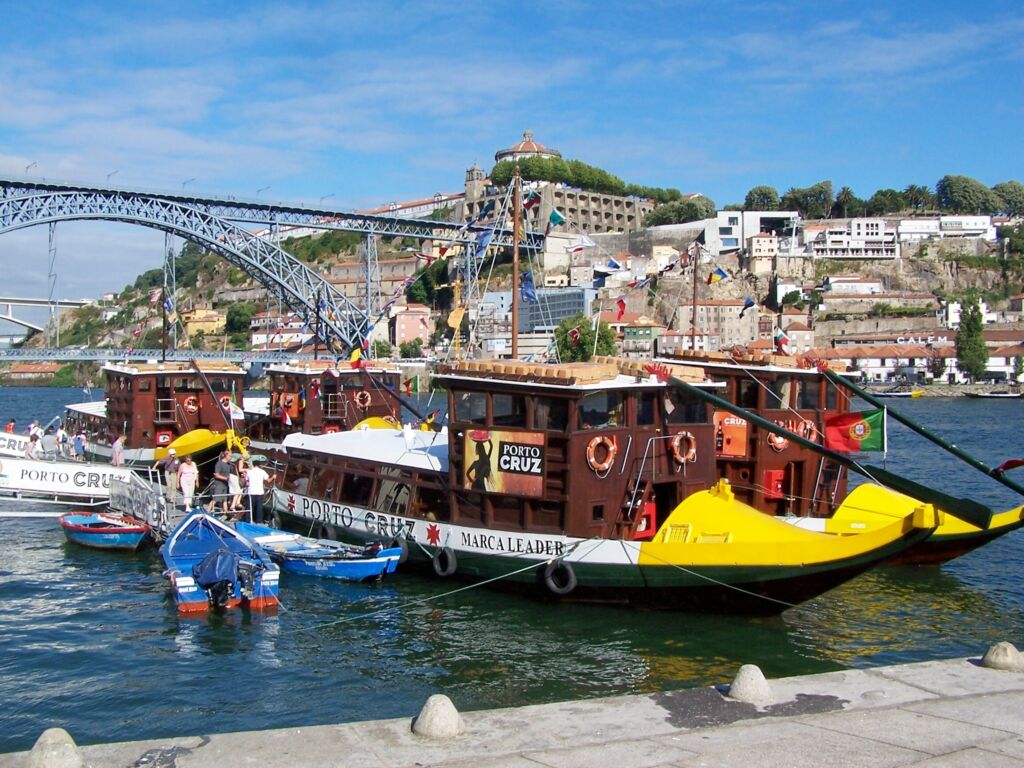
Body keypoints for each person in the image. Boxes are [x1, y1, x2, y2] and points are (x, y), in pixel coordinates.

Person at [210, 450, 233, 516]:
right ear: (225, 455)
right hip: (219, 483)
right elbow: (216, 475)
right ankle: (208, 512)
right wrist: (226, 478)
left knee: (225, 499)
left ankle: (225, 513)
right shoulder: (219, 463)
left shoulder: (229, 464)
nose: (231, 457)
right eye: (230, 456)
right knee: (215, 499)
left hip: (225, 484)